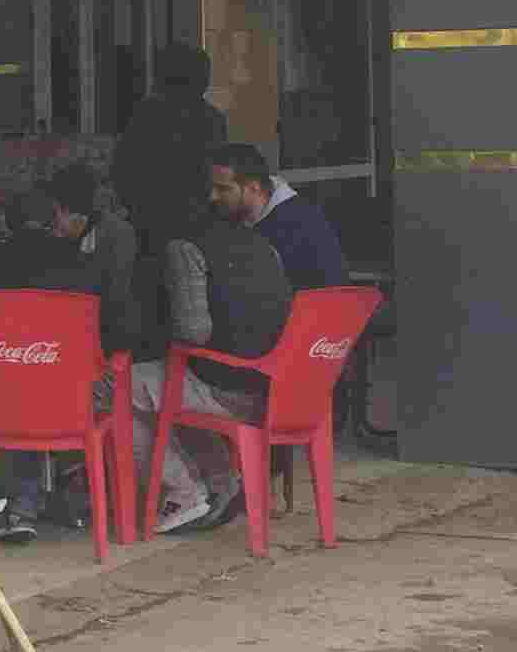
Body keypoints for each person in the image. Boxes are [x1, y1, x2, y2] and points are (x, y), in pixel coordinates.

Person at [0, 164, 135, 539]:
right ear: (56, 217)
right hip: (73, 404)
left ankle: (17, 506)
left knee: (21, 382)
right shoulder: (88, 270)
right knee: (58, 380)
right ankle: (65, 487)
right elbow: (123, 336)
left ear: (7, 224)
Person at [130, 178, 292, 535]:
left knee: (124, 390)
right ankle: (222, 483)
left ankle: (183, 493)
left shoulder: (185, 248)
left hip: (229, 390)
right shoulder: (265, 246)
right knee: (166, 386)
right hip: (276, 389)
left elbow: (193, 333)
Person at [105, 44, 228, 253]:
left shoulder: (145, 114)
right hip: (196, 222)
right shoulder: (212, 119)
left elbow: (122, 171)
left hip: (150, 222)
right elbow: (214, 173)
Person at [209, 142, 347, 293]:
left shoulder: (301, 224)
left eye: (223, 189)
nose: (213, 196)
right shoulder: (228, 215)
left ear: (253, 187)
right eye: (213, 187)